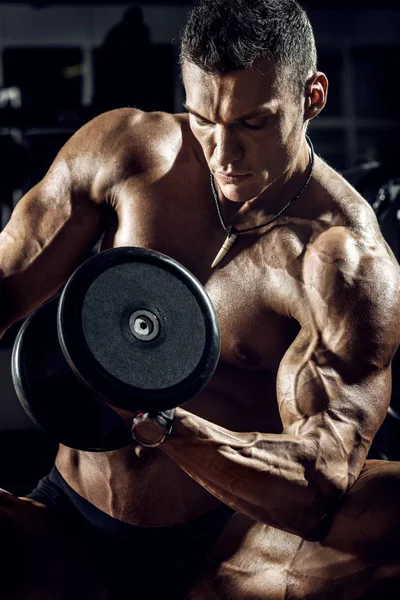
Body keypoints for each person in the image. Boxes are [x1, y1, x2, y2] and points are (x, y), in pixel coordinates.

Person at [0, 0, 400, 598]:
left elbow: (319, 480)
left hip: (230, 553)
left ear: (312, 98)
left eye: (253, 123)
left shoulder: (340, 259)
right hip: (67, 520)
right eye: (204, 119)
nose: (223, 152)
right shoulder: (128, 154)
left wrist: (161, 423)